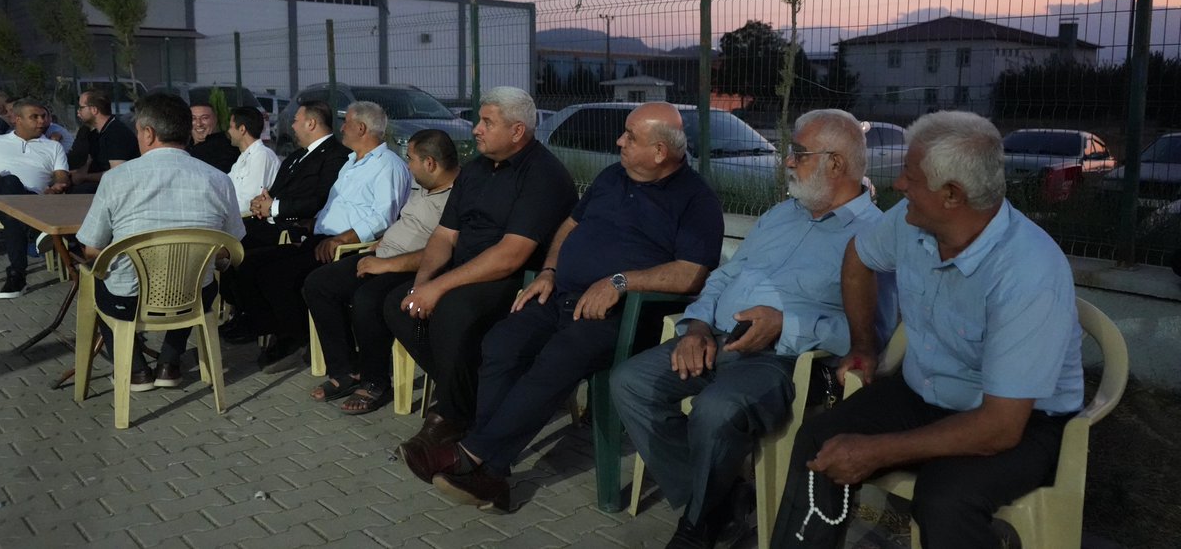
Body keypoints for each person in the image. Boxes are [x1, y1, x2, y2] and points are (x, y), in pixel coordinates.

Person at [770, 111, 1084, 549]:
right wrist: (864, 347)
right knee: (819, 442)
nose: (898, 184)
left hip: (1023, 420)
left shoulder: (1028, 272)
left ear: (952, 195)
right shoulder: (911, 221)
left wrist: (876, 452)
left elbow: (1000, 427)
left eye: (909, 176)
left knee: (944, 500)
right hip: (927, 392)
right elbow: (859, 258)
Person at [400, 102, 724, 513]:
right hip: (560, 295)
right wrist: (550, 269)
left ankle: (475, 457)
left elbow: (691, 274)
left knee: (557, 358)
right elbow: (570, 227)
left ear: (660, 152)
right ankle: (490, 470)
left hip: (624, 316)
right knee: (502, 343)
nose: (619, 141)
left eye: (630, 136)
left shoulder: (695, 199)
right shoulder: (612, 177)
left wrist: (621, 282)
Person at [611, 109, 899, 549]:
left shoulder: (877, 237)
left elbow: (868, 337)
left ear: (836, 164)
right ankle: (719, 505)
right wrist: (697, 327)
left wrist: (786, 324)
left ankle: (695, 527)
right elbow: (724, 277)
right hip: (716, 340)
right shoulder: (781, 215)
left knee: (715, 410)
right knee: (629, 382)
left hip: (782, 360)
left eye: (799, 154)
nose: (787, 162)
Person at [381, 86, 576, 451]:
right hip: (468, 269)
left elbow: (511, 255)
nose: (476, 129)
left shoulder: (542, 175)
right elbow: (444, 234)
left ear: (517, 131)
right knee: (399, 302)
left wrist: (438, 289)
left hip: (516, 278)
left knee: (452, 309)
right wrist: (422, 282)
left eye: (487, 122)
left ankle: (451, 417)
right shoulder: (475, 171)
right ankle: (470, 398)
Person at [75, 92, 245, 390]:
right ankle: (169, 361)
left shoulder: (117, 179)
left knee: (95, 279)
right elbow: (231, 248)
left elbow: (92, 248)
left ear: (149, 133)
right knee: (201, 282)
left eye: (138, 131)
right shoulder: (219, 179)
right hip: (190, 298)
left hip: (128, 302)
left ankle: (135, 369)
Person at [233, 101, 412, 372]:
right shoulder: (352, 163)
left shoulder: (388, 166)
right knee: (250, 263)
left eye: (347, 122)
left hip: (346, 248)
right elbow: (334, 207)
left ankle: (296, 338)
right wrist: (310, 225)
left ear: (361, 128)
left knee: (277, 275)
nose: (342, 128)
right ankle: (287, 330)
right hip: (318, 238)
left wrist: (342, 239)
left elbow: (382, 219)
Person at [304, 129, 460, 413]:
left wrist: (386, 264)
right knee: (319, 283)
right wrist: (381, 245)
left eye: (411, 159)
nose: (407, 165)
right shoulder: (423, 185)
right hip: (382, 254)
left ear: (430, 163)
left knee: (367, 300)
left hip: (412, 269)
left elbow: (441, 252)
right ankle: (346, 371)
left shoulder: (458, 197)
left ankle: (375, 381)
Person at [0, 99, 70, 298]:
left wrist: (58, 186)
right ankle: (34, 230)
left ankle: (17, 274)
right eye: (34, 117)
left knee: (15, 213)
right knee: (11, 182)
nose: (42, 121)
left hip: (33, 205)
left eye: (44, 116)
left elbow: (62, 175)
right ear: (17, 119)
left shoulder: (53, 147)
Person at [237, 101, 349, 250]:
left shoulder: (336, 155)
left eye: (296, 120)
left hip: (292, 233)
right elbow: (276, 191)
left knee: (238, 255)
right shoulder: (296, 156)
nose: (292, 126)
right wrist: (260, 202)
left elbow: (319, 200)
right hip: (264, 225)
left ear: (311, 124)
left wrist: (273, 207)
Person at [68, 90, 139, 193]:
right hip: (104, 183)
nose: (78, 112)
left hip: (121, 189)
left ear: (94, 110)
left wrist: (85, 177)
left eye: (81, 108)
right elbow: (91, 163)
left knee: (79, 191)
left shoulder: (116, 133)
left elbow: (117, 174)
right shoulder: (95, 134)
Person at [226, 106, 281, 215]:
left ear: (242, 129)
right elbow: (225, 186)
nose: (228, 131)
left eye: (230, 127)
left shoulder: (262, 155)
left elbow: (249, 202)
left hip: (255, 226)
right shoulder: (243, 158)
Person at [187, 102, 239, 173]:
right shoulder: (183, 146)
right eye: (193, 118)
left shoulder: (225, 150)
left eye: (204, 118)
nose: (199, 124)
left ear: (215, 119)